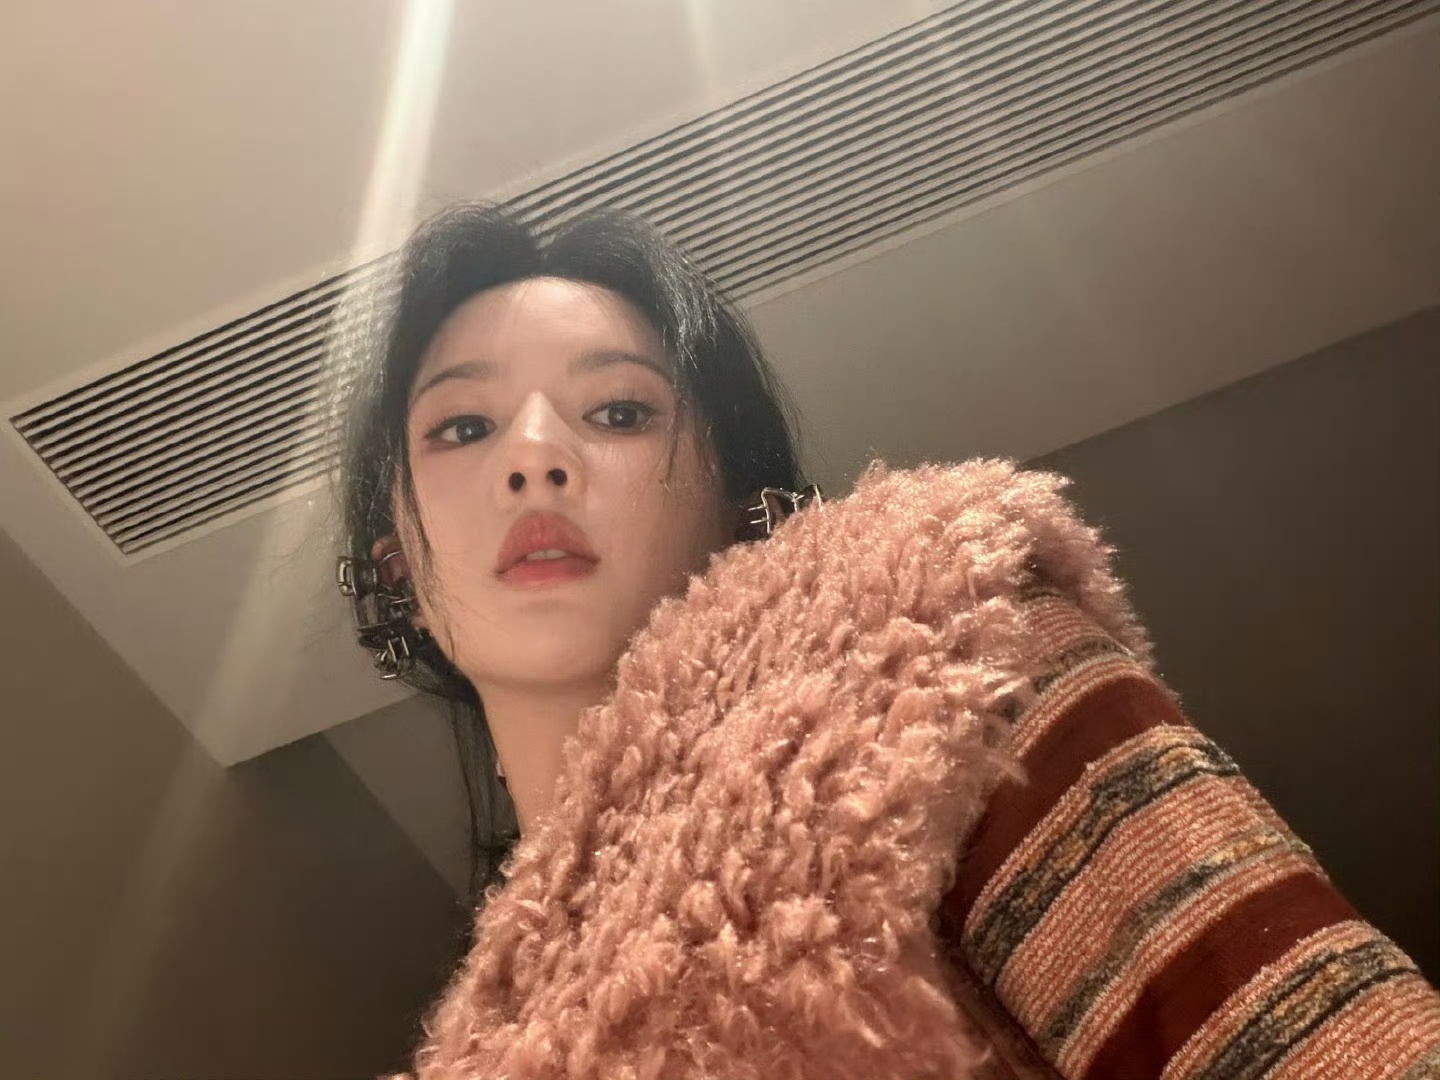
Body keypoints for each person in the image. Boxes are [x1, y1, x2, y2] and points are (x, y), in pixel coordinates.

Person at [336, 203, 1440, 1080]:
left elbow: (1317, 1040)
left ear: (741, 503)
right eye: (463, 427)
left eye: (620, 412)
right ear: (395, 565)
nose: (533, 456)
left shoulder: (942, 649)